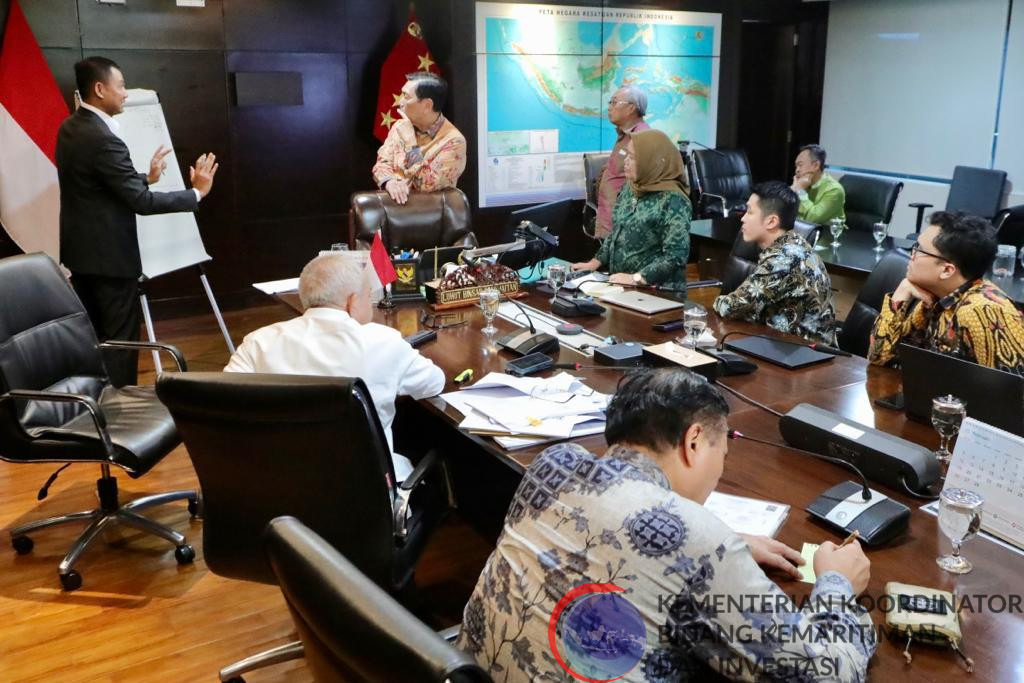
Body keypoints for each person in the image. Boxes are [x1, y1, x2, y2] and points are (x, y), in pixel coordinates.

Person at [457, 367, 875, 681]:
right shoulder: (700, 542)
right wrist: (836, 586)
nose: (717, 475)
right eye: (722, 455)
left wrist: (720, 548)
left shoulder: (552, 464)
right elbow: (823, 673)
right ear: (694, 442)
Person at [57, 56, 218, 387]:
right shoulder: (103, 138)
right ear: (100, 89)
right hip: (111, 263)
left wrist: (146, 177)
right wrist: (196, 194)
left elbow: (98, 187)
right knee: (120, 342)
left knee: (97, 340)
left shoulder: (70, 127)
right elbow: (140, 203)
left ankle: (99, 406)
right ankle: (123, 414)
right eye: (122, 86)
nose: (126, 94)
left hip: (82, 258)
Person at [224, 252, 445, 480]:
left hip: (279, 494)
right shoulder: (382, 341)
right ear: (352, 302)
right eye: (368, 297)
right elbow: (434, 383)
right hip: (366, 498)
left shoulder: (258, 342)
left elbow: (221, 402)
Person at [868, 211, 1024, 374]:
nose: (911, 255)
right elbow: (880, 358)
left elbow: (1013, 392)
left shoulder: (983, 311)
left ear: (947, 270)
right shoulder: (936, 298)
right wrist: (901, 292)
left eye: (919, 250)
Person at [714, 181, 838, 345]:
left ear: (772, 221)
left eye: (750, 212)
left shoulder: (783, 260)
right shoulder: (795, 243)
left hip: (805, 355)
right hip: (786, 345)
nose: (743, 218)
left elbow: (732, 307)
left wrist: (717, 301)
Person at [571, 129, 691, 291]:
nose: (625, 161)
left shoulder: (674, 200)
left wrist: (637, 278)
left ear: (652, 161)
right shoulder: (631, 187)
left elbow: (675, 256)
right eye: (626, 155)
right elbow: (617, 232)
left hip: (657, 292)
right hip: (620, 284)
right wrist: (595, 262)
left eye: (632, 158)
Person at [372, 72, 466, 205]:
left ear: (427, 105)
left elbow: (426, 185)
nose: (400, 102)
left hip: (429, 215)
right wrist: (390, 182)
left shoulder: (454, 141)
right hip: (395, 210)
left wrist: (411, 145)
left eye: (406, 96)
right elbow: (381, 164)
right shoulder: (400, 126)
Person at [594, 85, 651, 239]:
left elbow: (645, 185)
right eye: (610, 102)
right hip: (609, 222)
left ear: (631, 108)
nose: (609, 108)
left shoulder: (642, 138)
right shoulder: (624, 135)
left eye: (614, 102)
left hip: (624, 228)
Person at [792, 144, 845, 225]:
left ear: (816, 165)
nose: (797, 170)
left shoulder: (834, 190)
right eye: (796, 166)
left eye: (800, 165)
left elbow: (813, 219)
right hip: (801, 234)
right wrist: (792, 190)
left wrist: (800, 191)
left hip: (826, 235)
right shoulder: (802, 184)